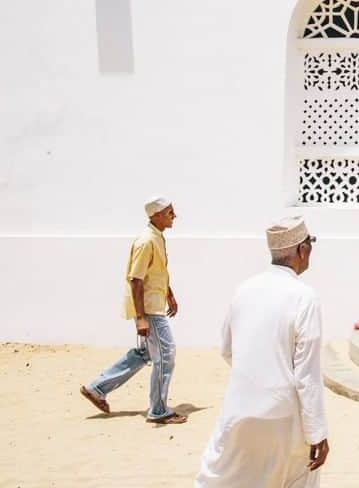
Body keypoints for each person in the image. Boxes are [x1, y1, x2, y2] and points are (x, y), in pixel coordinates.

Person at [194, 216, 329, 487]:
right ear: (302, 250)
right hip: (282, 416)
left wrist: (256, 375)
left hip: (238, 410)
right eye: (310, 244)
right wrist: (318, 433)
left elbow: (227, 349)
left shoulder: (243, 290)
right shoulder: (304, 297)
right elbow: (307, 375)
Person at [79, 197, 187, 424]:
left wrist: (170, 295)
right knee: (166, 354)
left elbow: (157, 272)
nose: (174, 216)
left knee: (147, 354)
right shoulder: (146, 241)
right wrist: (140, 318)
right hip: (149, 310)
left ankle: (97, 388)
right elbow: (136, 280)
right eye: (169, 212)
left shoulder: (157, 238)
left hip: (155, 305)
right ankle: (158, 410)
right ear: (156, 215)